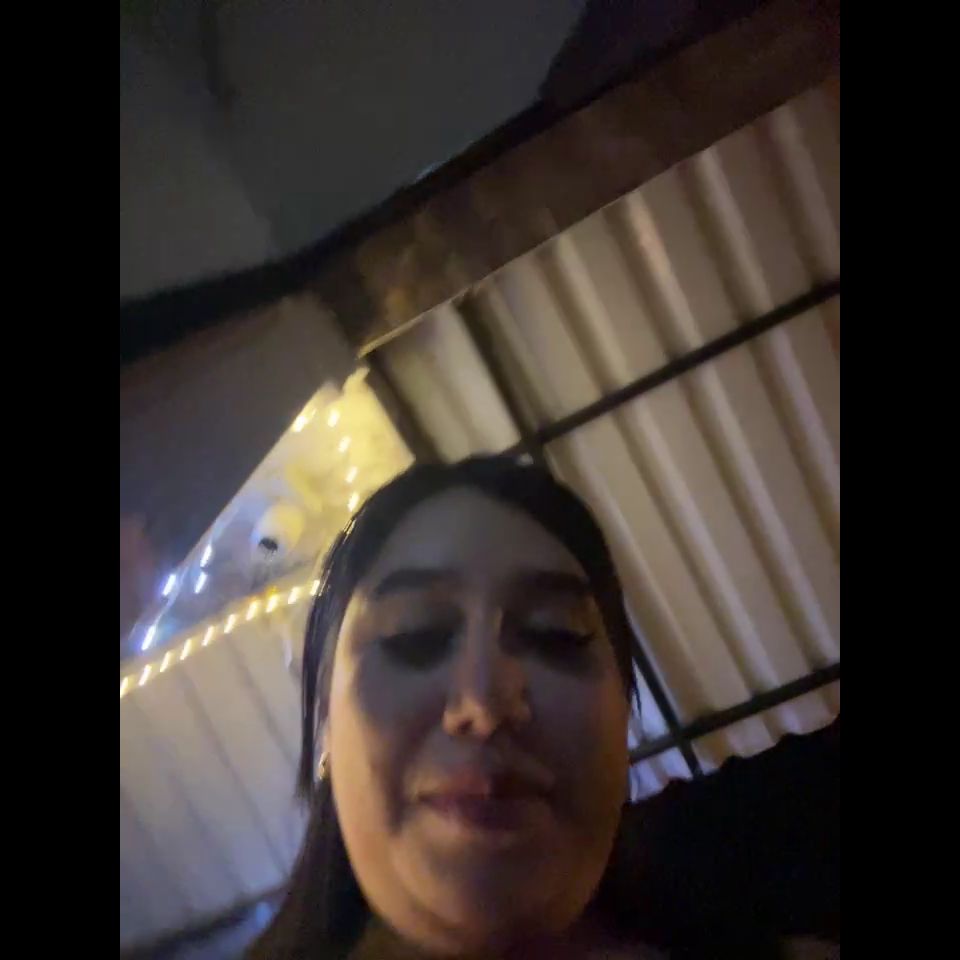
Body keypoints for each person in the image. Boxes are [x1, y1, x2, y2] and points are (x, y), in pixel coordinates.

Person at [249, 456, 834, 960]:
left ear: (621, 710)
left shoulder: (752, 865)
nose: (483, 701)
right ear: (325, 719)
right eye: (415, 633)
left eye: (556, 633)